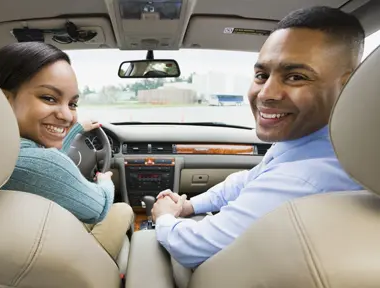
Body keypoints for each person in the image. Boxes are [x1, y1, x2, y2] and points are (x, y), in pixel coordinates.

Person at [151, 6, 365, 268]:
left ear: (349, 85)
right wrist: (190, 207)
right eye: (262, 75)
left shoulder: (306, 177)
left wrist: (163, 217)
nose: (266, 94)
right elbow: (248, 180)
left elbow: (193, 247)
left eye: (296, 77)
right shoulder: (320, 145)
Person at [0, 42, 133, 260]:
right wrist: (105, 181)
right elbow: (98, 207)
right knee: (123, 210)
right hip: (64, 263)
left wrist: (77, 129)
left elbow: (46, 155)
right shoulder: (46, 165)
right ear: (4, 100)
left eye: (72, 104)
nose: (67, 116)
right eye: (49, 98)